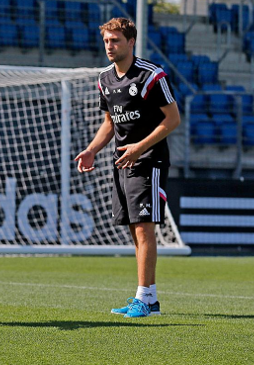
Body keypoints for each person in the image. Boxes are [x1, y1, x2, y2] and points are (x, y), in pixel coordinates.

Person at [74, 18, 181, 318]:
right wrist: (92, 150)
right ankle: (150, 298)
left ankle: (144, 299)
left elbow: (172, 120)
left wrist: (139, 148)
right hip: (122, 163)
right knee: (135, 231)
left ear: (131, 42)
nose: (110, 46)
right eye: (107, 41)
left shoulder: (151, 76)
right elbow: (109, 122)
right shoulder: (104, 79)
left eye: (116, 40)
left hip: (149, 160)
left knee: (145, 229)